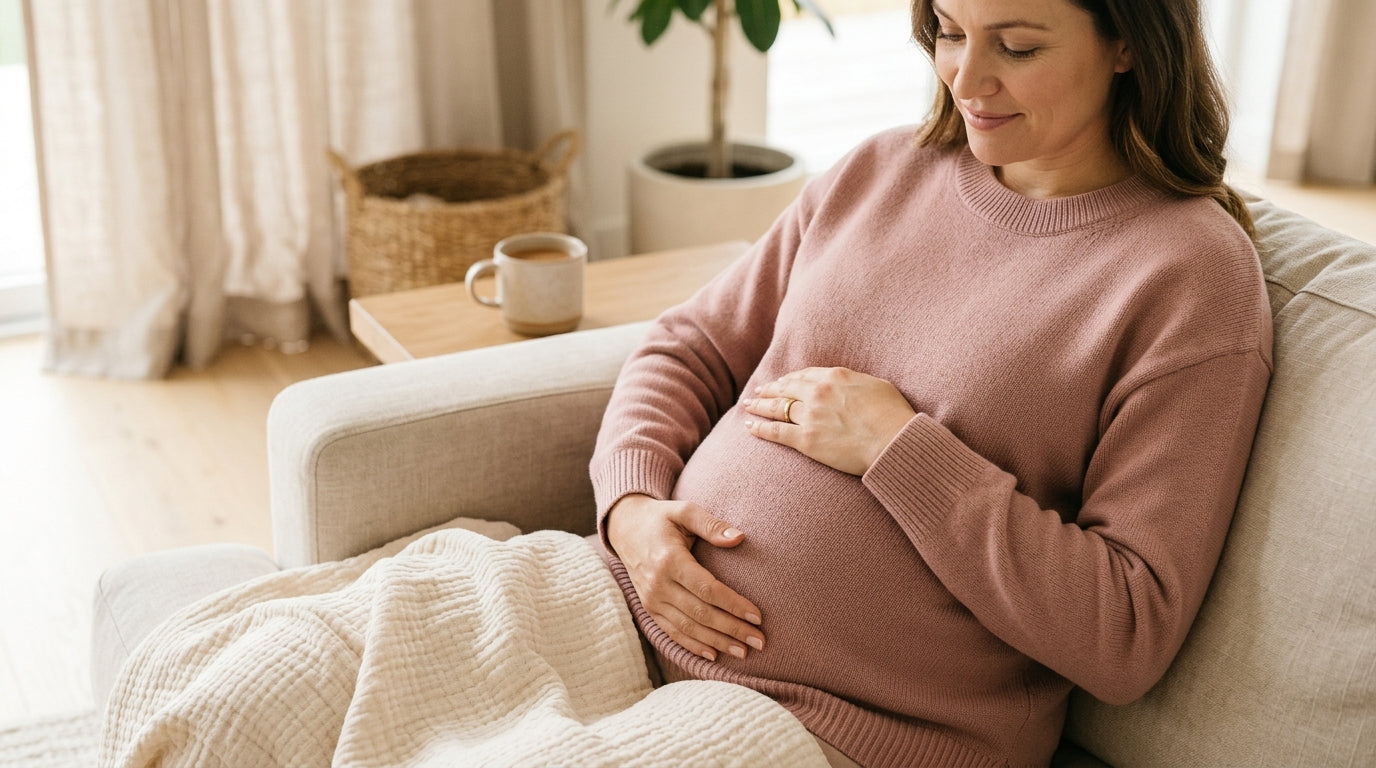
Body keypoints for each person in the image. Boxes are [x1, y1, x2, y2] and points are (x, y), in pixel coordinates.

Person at [589, 0, 1273, 766]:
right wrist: (632, 506)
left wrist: (897, 449)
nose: (965, 80)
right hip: (618, 602)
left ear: (1127, 42)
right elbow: (688, 347)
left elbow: (1126, 632)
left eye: (1016, 47)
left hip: (830, 732)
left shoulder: (1188, 275)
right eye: (948, 32)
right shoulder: (882, 168)